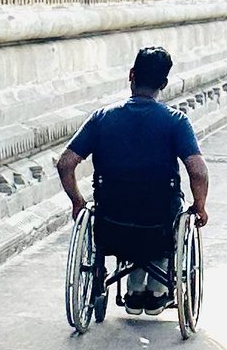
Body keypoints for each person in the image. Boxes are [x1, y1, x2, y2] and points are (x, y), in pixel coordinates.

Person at [57, 46, 209, 317]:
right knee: (171, 209)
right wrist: (200, 205)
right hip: (159, 222)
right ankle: (156, 289)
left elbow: (66, 163)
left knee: (126, 204)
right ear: (163, 84)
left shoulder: (102, 118)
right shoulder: (176, 121)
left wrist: (78, 202)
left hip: (111, 222)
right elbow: (197, 171)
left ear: (131, 75)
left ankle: (135, 286)